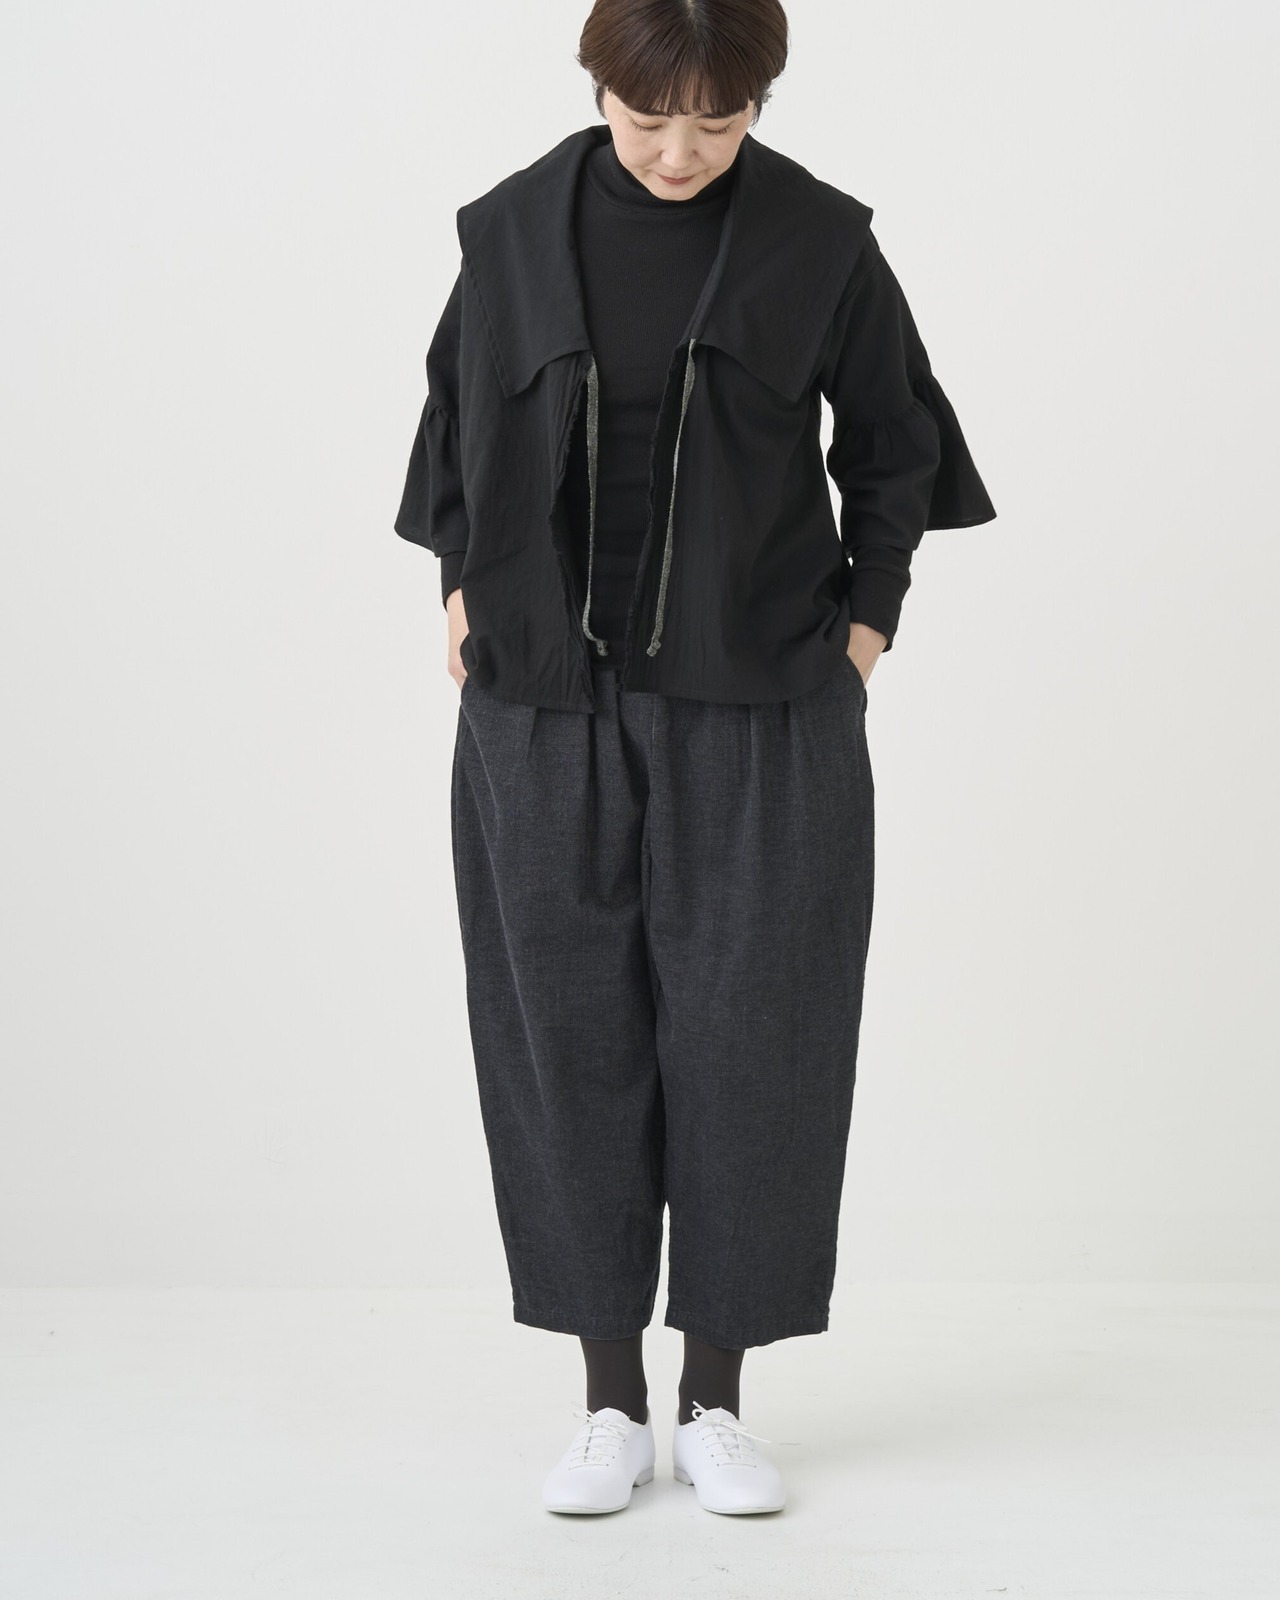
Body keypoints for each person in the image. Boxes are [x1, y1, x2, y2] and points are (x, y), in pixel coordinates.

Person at [394, 0, 995, 1517]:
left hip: (766, 705)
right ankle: (607, 1401)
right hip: (542, 707)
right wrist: (461, 589)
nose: (680, 151)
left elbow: (899, 448)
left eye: (718, 123)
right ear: (597, 86)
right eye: (650, 117)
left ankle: (718, 1398)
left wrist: (865, 632)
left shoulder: (820, 242)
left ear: (758, 105)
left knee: (758, 1039)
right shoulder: (510, 233)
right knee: (563, 1040)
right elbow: (451, 427)